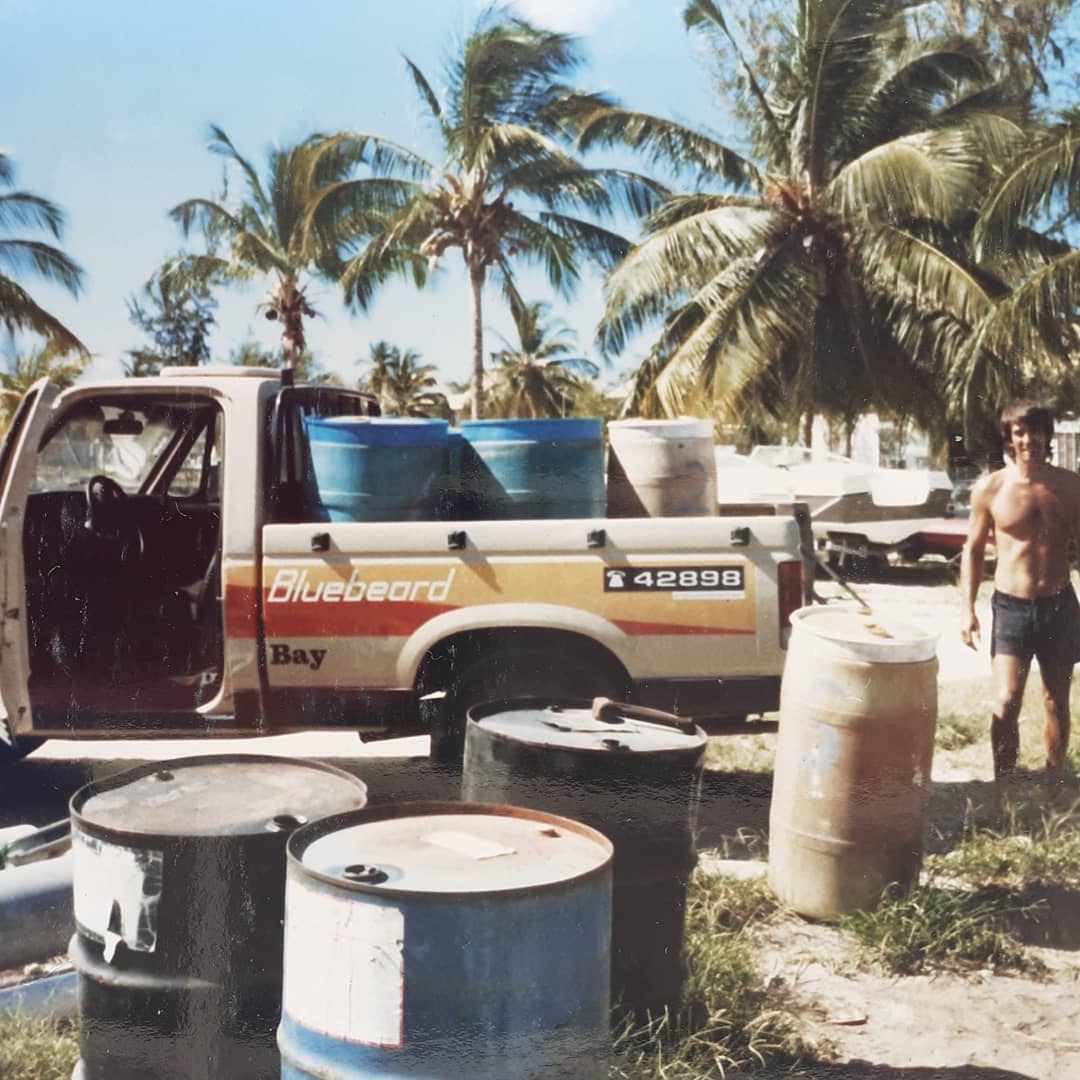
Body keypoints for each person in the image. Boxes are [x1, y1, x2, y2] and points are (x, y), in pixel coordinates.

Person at [960, 400, 1080, 781]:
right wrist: (968, 609)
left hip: (1059, 604)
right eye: (1020, 432)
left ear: (1048, 434)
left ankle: (1054, 779)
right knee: (1006, 699)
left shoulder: (1071, 486)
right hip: (1011, 608)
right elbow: (974, 550)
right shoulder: (990, 489)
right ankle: (1005, 784)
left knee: (1056, 700)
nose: (1030, 439)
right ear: (1010, 438)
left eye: (1037, 431)